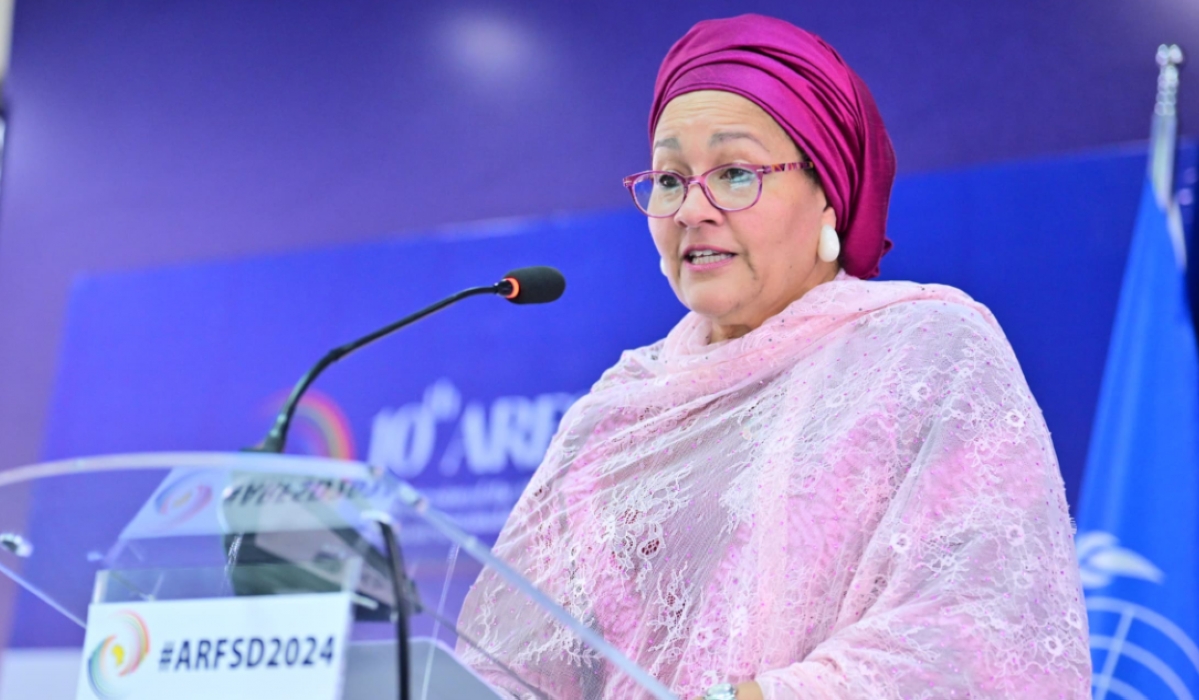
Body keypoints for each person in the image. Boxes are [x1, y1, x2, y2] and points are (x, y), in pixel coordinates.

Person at [457, 14, 1091, 699]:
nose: (690, 209)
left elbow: (981, 631)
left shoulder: (927, 350)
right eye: (668, 179)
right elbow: (505, 666)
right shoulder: (616, 411)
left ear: (828, 191)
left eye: (733, 172)